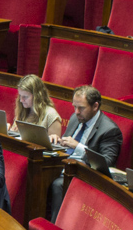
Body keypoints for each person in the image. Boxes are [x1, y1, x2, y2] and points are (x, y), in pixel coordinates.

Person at [48, 85, 123, 221]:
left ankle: (53, 227)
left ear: (95, 106)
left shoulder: (110, 130)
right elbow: (67, 144)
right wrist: (56, 141)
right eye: (74, 106)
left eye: (81, 108)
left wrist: (79, 147)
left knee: (58, 184)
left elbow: (107, 162)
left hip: (85, 174)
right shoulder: (76, 117)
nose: (76, 112)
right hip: (64, 164)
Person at [9, 74, 62, 138]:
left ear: (37, 96)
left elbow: (54, 145)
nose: (21, 100)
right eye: (20, 95)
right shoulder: (23, 108)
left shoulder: (51, 115)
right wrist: (11, 132)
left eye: (25, 97)